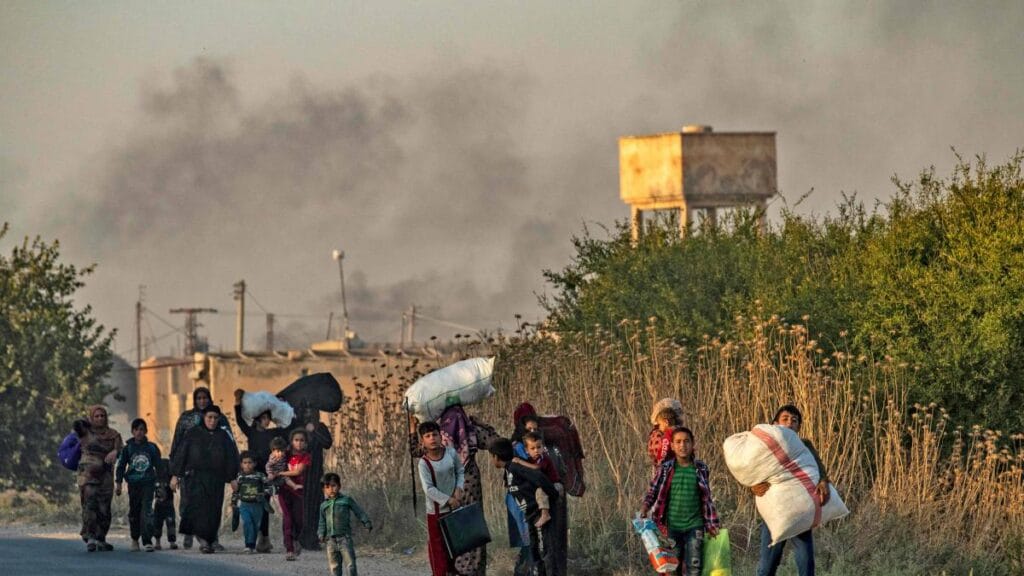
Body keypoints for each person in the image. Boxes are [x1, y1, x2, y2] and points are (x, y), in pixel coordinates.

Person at [753, 405, 830, 576]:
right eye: (785, 419)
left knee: (806, 564)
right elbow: (752, 469)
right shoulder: (767, 447)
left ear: (798, 427)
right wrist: (754, 485)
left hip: (800, 511)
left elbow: (819, 467)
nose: (790, 423)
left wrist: (823, 481)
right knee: (767, 567)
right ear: (775, 424)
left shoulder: (804, 445)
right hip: (774, 512)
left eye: (794, 421)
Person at [641, 426, 720, 576]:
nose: (682, 445)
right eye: (678, 442)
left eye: (686, 441)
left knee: (694, 567)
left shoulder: (701, 468)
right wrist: (645, 507)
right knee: (673, 567)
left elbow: (707, 499)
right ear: (672, 446)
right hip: (673, 528)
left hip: (694, 526)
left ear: (693, 444)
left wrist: (711, 524)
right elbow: (653, 490)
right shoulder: (665, 469)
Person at [170, 404, 240, 554]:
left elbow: (231, 457)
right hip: (195, 478)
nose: (212, 421)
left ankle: (210, 539)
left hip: (216, 479)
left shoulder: (223, 436)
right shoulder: (193, 433)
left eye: (215, 418)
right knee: (198, 509)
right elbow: (182, 454)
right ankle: (203, 542)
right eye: (209, 417)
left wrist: (233, 478)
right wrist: (176, 475)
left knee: (213, 510)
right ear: (204, 418)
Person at [490, 437, 560, 576]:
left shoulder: (516, 467)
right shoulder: (509, 470)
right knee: (535, 553)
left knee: (545, 553)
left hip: (539, 516)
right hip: (530, 517)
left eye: (491, 457)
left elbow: (539, 477)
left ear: (496, 457)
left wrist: (553, 495)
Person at [235, 389, 289, 552]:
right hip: (251, 474)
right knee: (250, 502)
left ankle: (264, 538)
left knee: (263, 504)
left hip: (266, 475)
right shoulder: (251, 432)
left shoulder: (272, 433)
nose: (267, 421)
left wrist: (282, 404)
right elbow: (240, 421)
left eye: (268, 418)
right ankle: (255, 537)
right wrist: (237, 403)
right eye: (264, 418)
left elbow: (285, 428)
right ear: (258, 419)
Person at [417, 420, 465, 576]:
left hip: (455, 509)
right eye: (428, 436)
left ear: (440, 436)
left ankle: (451, 572)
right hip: (436, 512)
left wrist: (459, 488)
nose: (432, 438)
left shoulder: (450, 453)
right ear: (422, 441)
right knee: (438, 551)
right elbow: (428, 489)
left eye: (435, 434)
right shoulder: (424, 463)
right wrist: (448, 499)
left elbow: (460, 471)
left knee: (453, 546)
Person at [73, 405, 124, 552]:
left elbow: (122, 449)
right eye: (96, 416)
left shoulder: (113, 434)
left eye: (102, 416)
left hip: (106, 476)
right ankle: (90, 537)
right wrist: (86, 422)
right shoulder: (85, 432)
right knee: (90, 505)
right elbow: (76, 424)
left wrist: (115, 452)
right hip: (87, 476)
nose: (100, 418)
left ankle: (101, 538)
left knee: (104, 508)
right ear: (91, 418)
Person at [115, 418, 161, 552]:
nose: (139, 432)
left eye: (142, 429)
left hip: (148, 483)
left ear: (146, 431)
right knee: (134, 512)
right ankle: (135, 539)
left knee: (147, 511)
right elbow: (121, 466)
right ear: (132, 432)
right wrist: (118, 483)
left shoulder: (151, 448)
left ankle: (147, 540)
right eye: (136, 430)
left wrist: (161, 483)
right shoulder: (128, 448)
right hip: (134, 484)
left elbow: (159, 466)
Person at [318, 472, 372, 576]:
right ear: (323, 489)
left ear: (339, 486)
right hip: (330, 541)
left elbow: (359, 511)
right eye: (327, 487)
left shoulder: (346, 500)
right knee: (334, 567)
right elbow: (322, 522)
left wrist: (367, 522)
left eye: (333, 486)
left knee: (350, 565)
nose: (331, 489)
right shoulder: (324, 505)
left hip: (345, 539)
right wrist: (321, 534)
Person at [278, 429, 312, 561]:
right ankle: (289, 548)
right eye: (296, 440)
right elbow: (274, 463)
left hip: (298, 492)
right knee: (287, 519)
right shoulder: (284, 455)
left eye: (302, 440)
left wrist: (281, 473)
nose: (299, 443)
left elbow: (298, 471)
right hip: (284, 491)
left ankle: (296, 539)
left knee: (299, 520)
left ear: (305, 443)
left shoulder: (306, 456)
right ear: (291, 442)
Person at [233, 451, 273, 554]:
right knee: (247, 523)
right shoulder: (240, 477)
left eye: (250, 462)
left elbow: (268, 487)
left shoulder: (260, 476)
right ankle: (248, 545)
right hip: (244, 504)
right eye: (245, 462)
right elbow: (236, 491)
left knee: (255, 525)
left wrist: (263, 494)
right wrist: (234, 502)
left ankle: (252, 544)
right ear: (241, 464)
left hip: (257, 505)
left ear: (254, 464)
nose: (247, 465)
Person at [153, 457, 178, 550]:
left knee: (171, 523)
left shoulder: (171, 479)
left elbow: (174, 486)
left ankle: (172, 542)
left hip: (169, 504)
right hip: (158, 505)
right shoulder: (155, 477)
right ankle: (157, 542)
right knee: (157, 524)